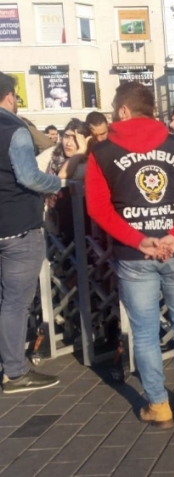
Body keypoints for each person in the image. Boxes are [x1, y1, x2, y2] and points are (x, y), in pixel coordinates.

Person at [86, 82, 174, 428]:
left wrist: (138, 238)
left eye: (115, 109)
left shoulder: (101, 154)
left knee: (144, 332)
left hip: (133, 254)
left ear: (124, 111)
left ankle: (158, 404)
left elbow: (97, 207)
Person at [0, 72, 63, 393]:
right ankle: (14, 371)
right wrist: (58, 184)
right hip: (16, 227)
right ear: (10, 96)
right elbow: (29, 177)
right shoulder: (14, 130)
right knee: (14, 303)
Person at [36, 119, 91, 240]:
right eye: (66, 136)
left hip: (82, 222)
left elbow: (63, 175)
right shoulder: (54, 153)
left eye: (75, 138)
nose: (69, 143)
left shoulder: (88, 160)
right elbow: (33, 170)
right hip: (52, 218)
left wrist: (81, 151)